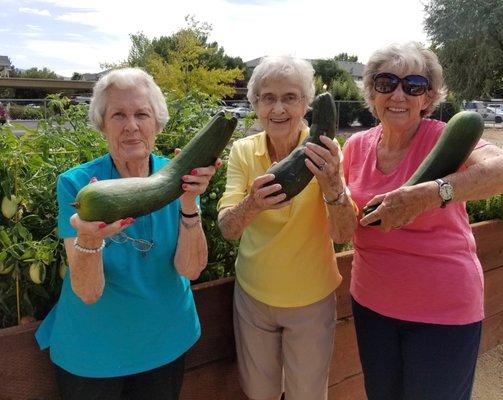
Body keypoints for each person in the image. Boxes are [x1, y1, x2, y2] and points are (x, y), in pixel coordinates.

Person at [343, 42, 503, 400]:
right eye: (386, 83)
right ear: (371, 92)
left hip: (443, 311)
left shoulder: (446, 138)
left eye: (413, 85)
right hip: (372, 305)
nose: (398, 94)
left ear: (427, 97)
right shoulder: (355, 146)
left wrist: (430, 194)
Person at [35, 68, 219, 400]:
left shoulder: (180, 179)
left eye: (141, 114)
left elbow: (190, 270)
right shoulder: (78, 186)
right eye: (118, 114)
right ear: (102, 124)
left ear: (157, 124)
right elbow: (88, 293)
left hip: (166, 343)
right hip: (92, 355)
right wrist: (90, 239)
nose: (131, 125)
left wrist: (189, 202)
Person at [217, 55, 357, 400]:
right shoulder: (242, 151)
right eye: (268, 98)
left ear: (306, 104)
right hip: (253, 297)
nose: (278, 108)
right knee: (258, 392)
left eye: (290, 97)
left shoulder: (327, 152)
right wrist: (253, 203)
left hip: (311, 299)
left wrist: (333, 185)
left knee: (307, 394)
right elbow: (227, 228)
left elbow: (343, 235)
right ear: (256, 104)